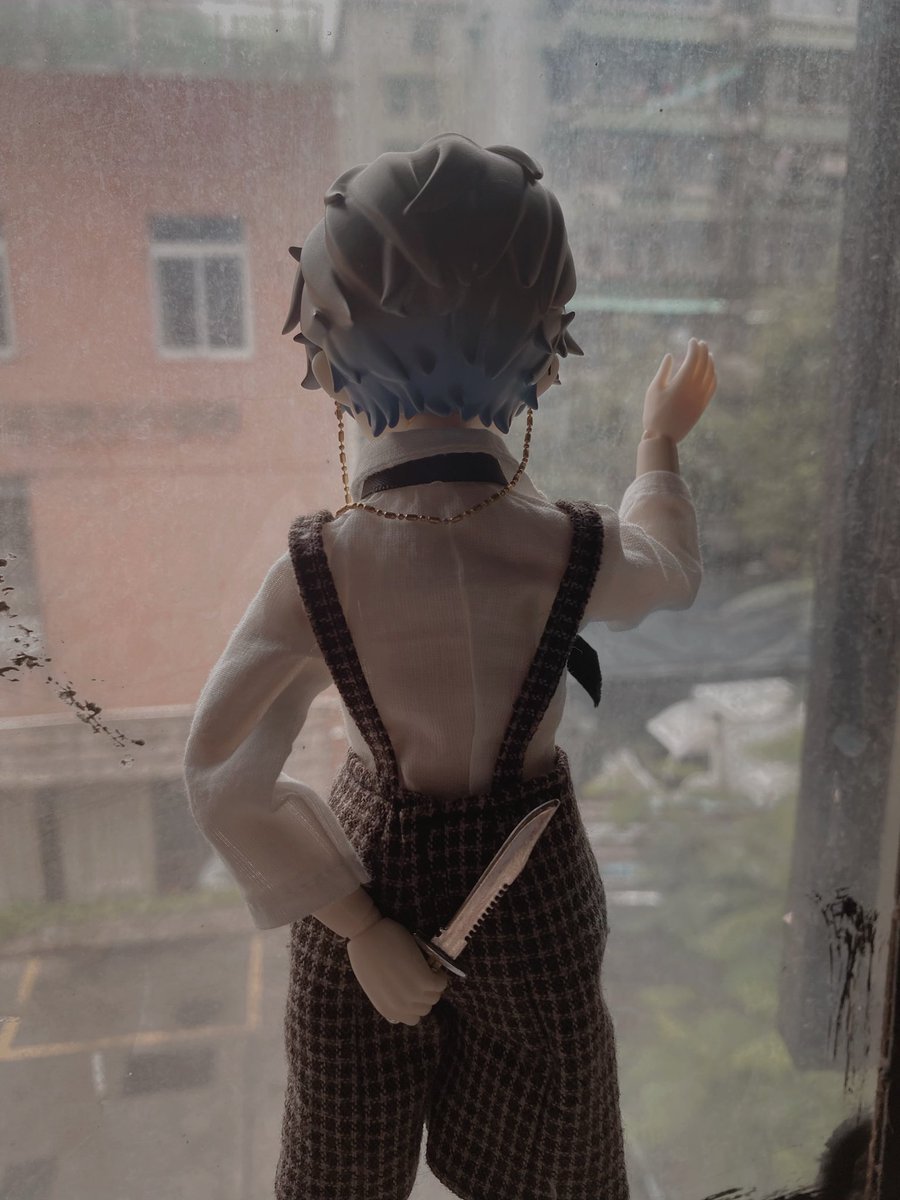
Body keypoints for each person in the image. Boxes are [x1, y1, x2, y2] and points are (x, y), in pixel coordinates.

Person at [184, 134, 715, 1200]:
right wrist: (657, 447)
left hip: (364, 878)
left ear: (327, 345)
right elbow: (670, 570)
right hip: (535, 884)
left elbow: (221, 774)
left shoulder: (321, 565)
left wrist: (359, 925)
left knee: (340, 1164)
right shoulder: (565, 544)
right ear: (540, 346)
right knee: (558, 1161)